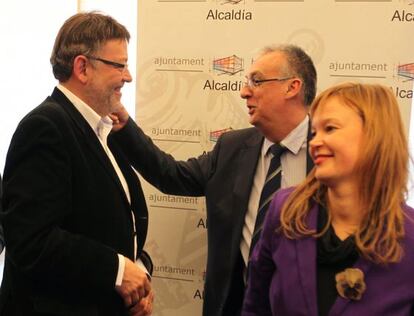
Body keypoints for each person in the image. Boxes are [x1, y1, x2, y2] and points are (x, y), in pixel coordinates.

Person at [111, 44, 317, 315]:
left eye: (257, 81)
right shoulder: (233, 147)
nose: (244, 91)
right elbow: (171, 175)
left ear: (292, 87)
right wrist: (125, 127)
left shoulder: (329, 151)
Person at [0, 12, 153, 316]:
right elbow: (31, 240)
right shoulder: (45, 127)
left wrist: (139, 274)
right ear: (82, 68)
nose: (128, 76)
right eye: (119, 65)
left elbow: (115, 227)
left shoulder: (103, 128)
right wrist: (118, 269)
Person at [242, 82, 414, 316]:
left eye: (330, 129)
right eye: (314, 132)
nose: (314, 143)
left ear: (375, 136)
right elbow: (255, 306)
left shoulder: (409, 235)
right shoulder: (285, 210)